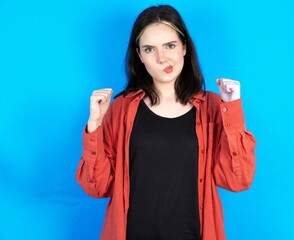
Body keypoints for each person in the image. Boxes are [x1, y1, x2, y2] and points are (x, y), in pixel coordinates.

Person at [76, 4, 256, 240]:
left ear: (184, 47)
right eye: (150, 49)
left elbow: (237, 180)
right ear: (139, 56)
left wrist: (231, 109)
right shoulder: (120, 108)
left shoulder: (213, 107)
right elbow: (97, 187)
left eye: (170, 45)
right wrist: (95, 125)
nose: (162, 58)